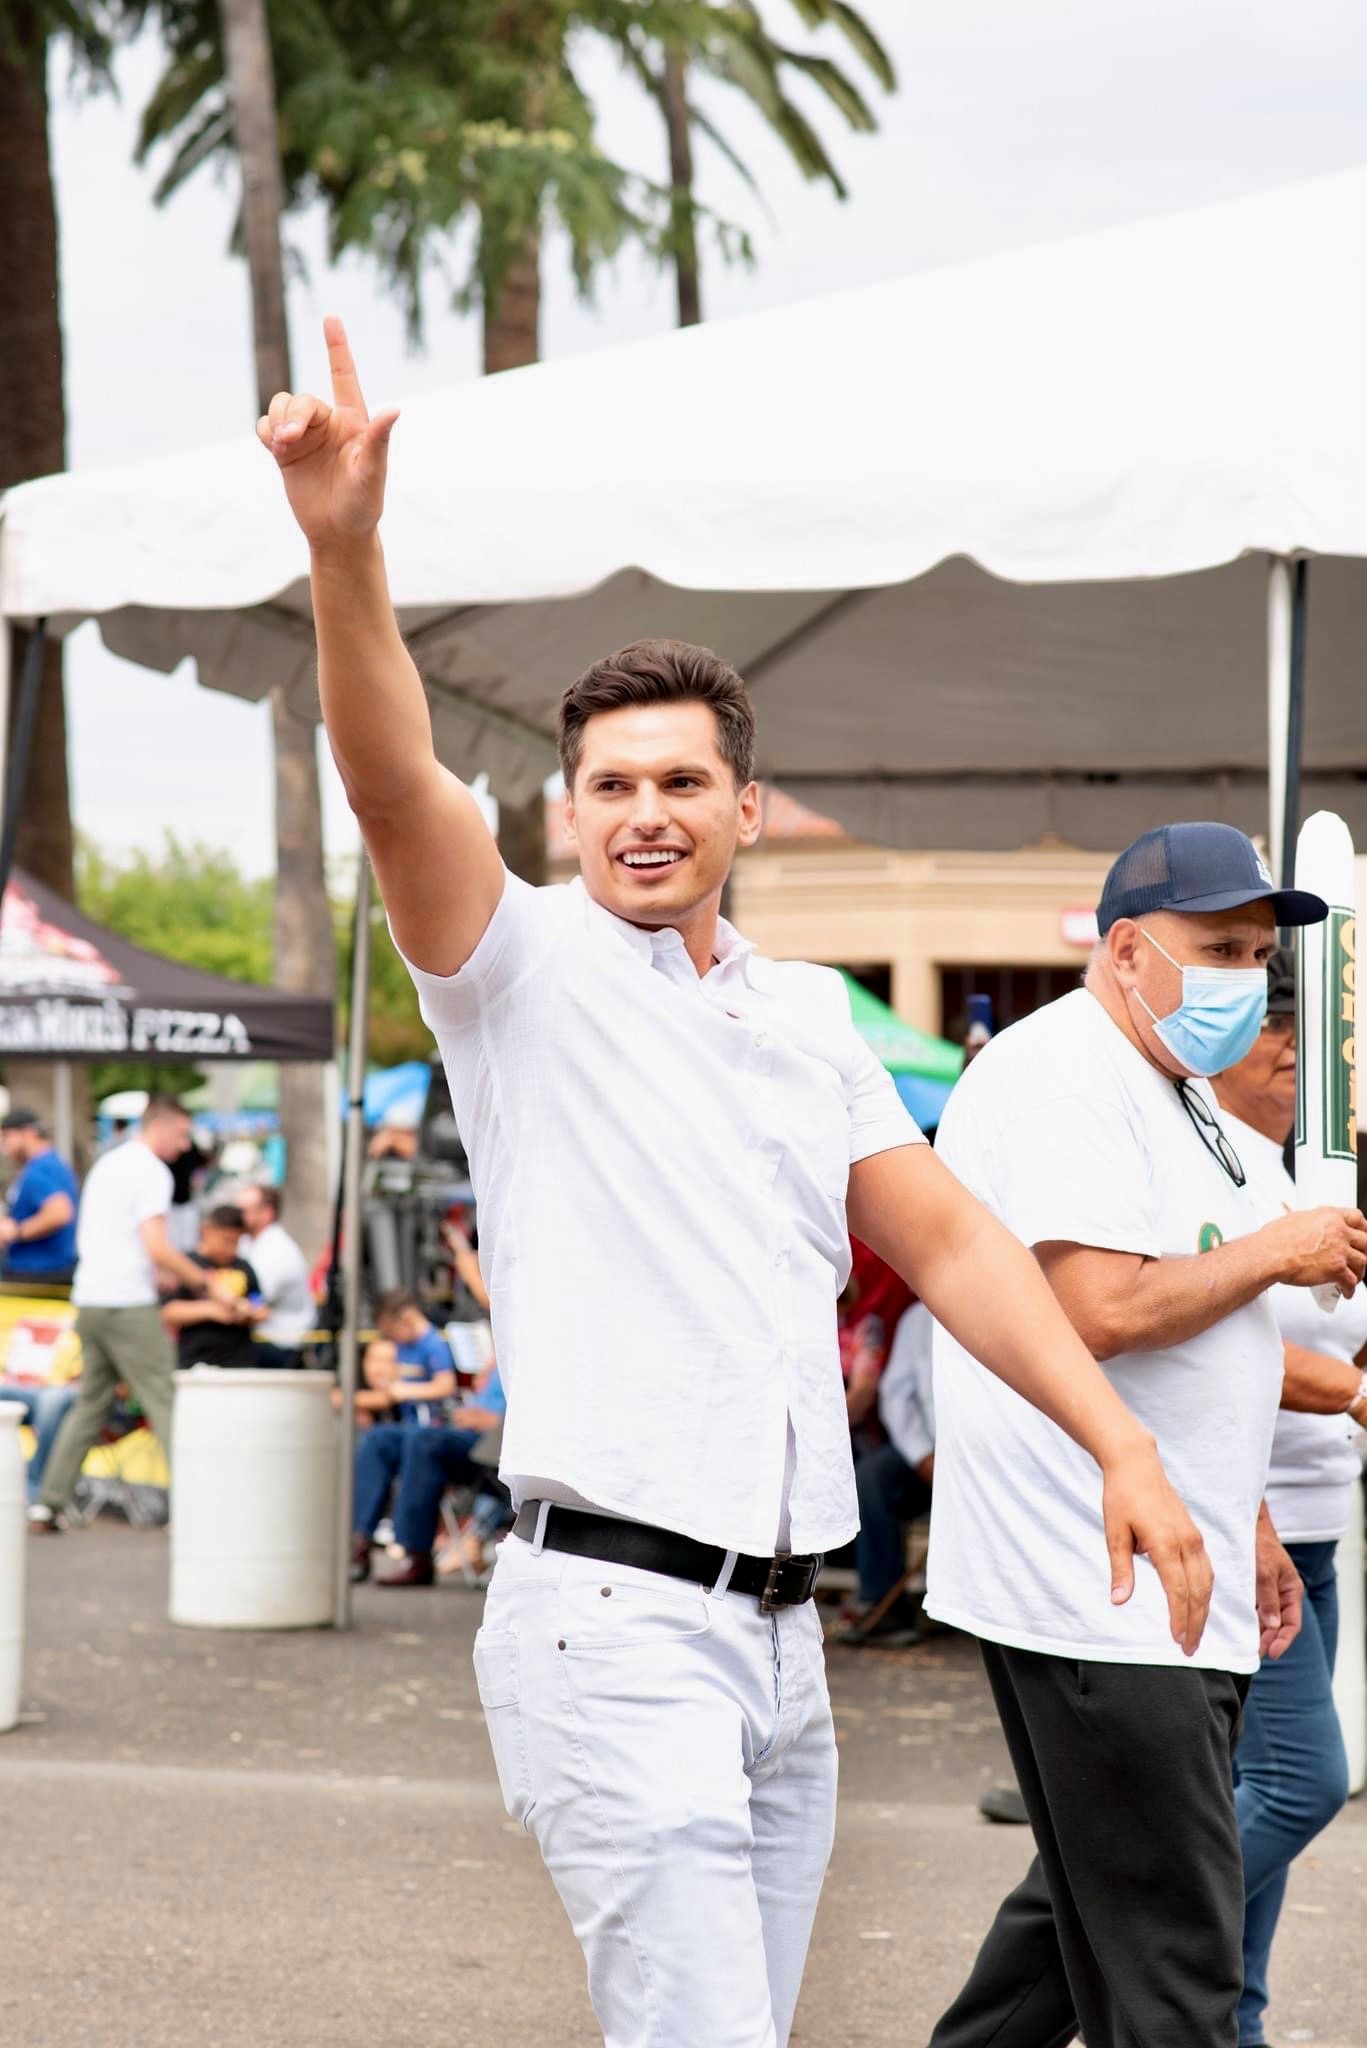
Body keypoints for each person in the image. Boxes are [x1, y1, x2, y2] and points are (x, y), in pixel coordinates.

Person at [259, 320, 1213, 2048]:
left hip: (784, 1645)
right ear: (562, 814)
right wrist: (346, 547)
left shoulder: (796, 1019)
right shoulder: (516, 970)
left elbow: (948, 1242)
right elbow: (392, 777)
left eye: (680, 781)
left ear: (745, 808)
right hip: (612, 1624)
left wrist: (1119, 1439)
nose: (643, 812)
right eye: (609, 785)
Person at [924, 821, 1367, 2048]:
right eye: (1214, 947)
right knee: (1175, 1968)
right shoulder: (1063, 1073)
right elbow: (1098, 1308)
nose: (1241, 975)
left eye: (1254, 953)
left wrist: (1253, 1518)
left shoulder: (1175, 1091)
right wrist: (1277, 1247)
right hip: (1095, 1580)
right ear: (1125, 950)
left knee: (1072, 1934)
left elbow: (1206, 1344)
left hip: (1170, 1565)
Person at [1211, 948, 1367, 2048]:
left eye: (1305, 1041)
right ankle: (1106, 1952)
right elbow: (1217, 1353)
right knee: (1300, 1780)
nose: (1290, 1057)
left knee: (1248, 1783)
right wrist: (1353, 1392)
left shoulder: (1312, 1176)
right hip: (1236, 1523)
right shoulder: (1208, 1176)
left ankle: (1231, 2020)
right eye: (1273, 1033)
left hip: (1315, 1526)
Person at [30, 1095, 210, 1531]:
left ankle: (48, 1502)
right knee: (165, 1400)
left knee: (89, 1405)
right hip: (125, 1301)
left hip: (90, 1297)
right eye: (182, 1134)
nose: (185, 1146)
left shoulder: (110, 1163)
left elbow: (118, 1238)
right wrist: (207, 1284)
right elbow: (157, 1244)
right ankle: (197, 1506)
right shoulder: (151, 1171)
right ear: (162, 1127)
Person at [838, 1299, 935, 1647]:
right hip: (929, 1454)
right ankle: (883, 1604)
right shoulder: (918, 1320)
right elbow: (897, 1397)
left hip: (990, 1458)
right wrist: (924, 1456)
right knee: (872, 1477)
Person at [350, 1288, 457, 1581]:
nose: (393, 1340)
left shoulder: (433, 1344)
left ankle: (413, 1550)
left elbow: (446, 1386)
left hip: (433, 1429)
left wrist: (405, 1390)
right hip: (409, 1428)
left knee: (415, 1443)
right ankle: (359, 1538)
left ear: (407, 1319)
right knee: (377, 1439)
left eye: (393, 1331)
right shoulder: (404, 1347)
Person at [374, 1360, 508, 1588]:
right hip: (465, 1430)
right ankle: (359, 1542)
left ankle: (416, 1555)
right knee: (382, 1437)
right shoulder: (500, 1353)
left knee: (424, 1441)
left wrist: (498, 1422)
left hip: (496, 1442)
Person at [160, 1204, 269, 1371]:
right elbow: (168, 1312)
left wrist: (247, 1312)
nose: (230, 1248)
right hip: (195, 1360)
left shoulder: (244, 1267)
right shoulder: (187, 1266)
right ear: (206, 1231)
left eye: (236, 1241)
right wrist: (211, 1310)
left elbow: (260, 1306)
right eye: (225, 1240)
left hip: (239, 1360)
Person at [236, 1184, 315, 1363]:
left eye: (243, 1210)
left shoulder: (278, 1250)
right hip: (261, 1338)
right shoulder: (248, 1242)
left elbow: (253, 1298)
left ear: (267, 1213)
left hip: (281, 1344)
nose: (236, 1216)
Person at [0, 1108, 79, 1282]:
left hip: (37, 1273)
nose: (4, 1147)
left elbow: (60, 1213)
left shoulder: (41, 1168)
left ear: (29, 1132)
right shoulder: (51, 1163)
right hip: (45, 1270)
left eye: (7, 1136)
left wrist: (16, 1231)